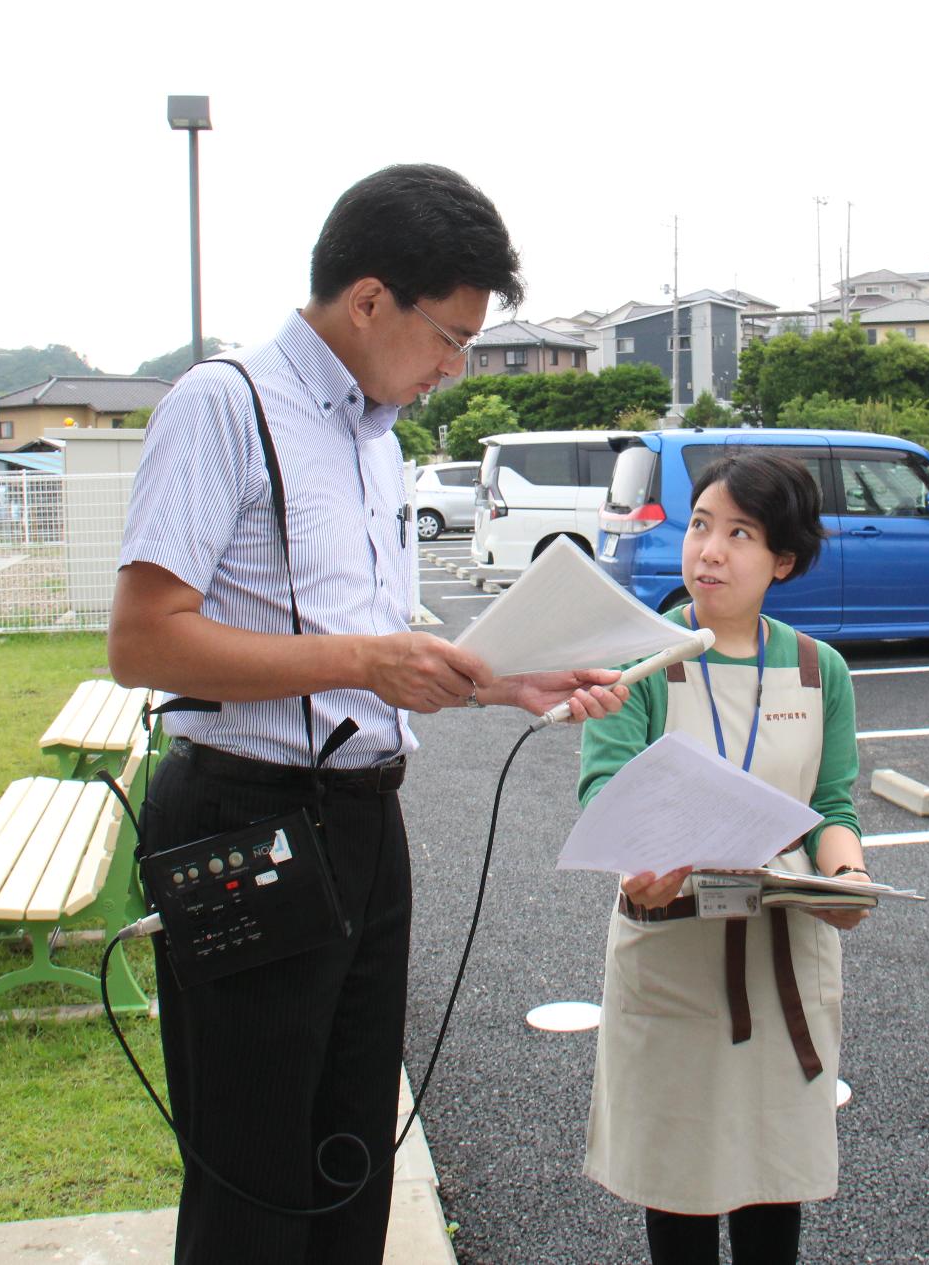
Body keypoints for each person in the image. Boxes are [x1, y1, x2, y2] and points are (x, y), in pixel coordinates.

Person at [108, 163, 627, 1265]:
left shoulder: (375, 441)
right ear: (369, 300)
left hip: (361, 821)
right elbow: (144, 641)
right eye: (449, 338)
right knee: (254, 1174)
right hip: (245, 815)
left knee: (352, 1154)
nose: (453, 367)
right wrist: (365, 660)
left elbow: (379, 650)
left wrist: (503, 681)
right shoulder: (225, 405)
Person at [577, 451, 873, 1265]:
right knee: (678, 1189)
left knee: (774, 1192)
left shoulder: (818, 669)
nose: (709, 550)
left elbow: (832, 807)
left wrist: (848, 877)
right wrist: (639, 863)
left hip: (785, 963)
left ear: (783, 559)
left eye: (740, 533)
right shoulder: (639, 661)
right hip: (673, 954)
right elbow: (606, 792)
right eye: (701, 525)